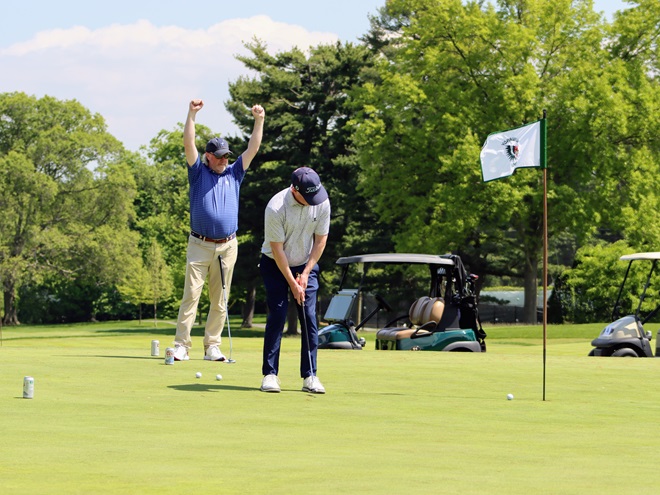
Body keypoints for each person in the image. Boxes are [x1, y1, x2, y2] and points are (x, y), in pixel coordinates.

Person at [172, 99, 265, 362]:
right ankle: (182, 345)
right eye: (221, 156)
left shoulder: (235, 173)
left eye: (227, 156)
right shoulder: (198, 173)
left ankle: (212, 345)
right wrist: (191, 114)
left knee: (220, 299)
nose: (225, 159)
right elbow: (188, 143)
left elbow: (253, 147)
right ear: (209, 157)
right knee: (191, 295)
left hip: (227, 246)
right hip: (199, 244)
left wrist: (259, 120)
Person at [259, 167, 331, 393]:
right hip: (274, 263)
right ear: (294, 190)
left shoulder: (321, 201)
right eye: (307, 197)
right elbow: (277, 250)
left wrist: (306, 273)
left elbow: (320, 241)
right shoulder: (276, 207)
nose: (312, 202)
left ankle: (310, 376)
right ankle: (270, 374)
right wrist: (292, 281)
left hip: (305, 263)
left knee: (308, 316)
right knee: (278, 315)